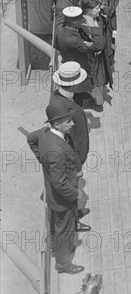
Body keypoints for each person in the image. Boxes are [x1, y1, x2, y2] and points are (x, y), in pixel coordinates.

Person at [27, 101, 87, 275]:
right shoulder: (56, 152)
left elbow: (30, 138)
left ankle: (75, 220)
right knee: (63, 232)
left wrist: (41, 159)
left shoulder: (45, 133)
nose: (72, 124)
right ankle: (62, 263)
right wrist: (76, 193)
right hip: (61, 198)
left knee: (66, 222)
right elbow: (59, 184)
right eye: (68, 121)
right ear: (56, 124)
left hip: (61, 192)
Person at [56, 5, 106, 106]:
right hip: (80, 67)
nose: (83, 20)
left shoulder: (61, 29)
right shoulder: (72, 40)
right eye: (81, 19)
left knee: (78, 89)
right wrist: (94, 27)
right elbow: (99, 45)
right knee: (82, 89)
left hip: (70, 61)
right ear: (75, 22)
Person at [50, 61, 90, 170]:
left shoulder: (55, 96)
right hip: (75, 158)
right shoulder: (68, 111)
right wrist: (76, 165)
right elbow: (64, 141)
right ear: (74, 86)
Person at [87, 0, 119, 69]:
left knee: (110, 46)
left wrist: (114, 29)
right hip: (94, 26)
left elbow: (112, 13)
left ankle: (107, 66)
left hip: (107, 26)